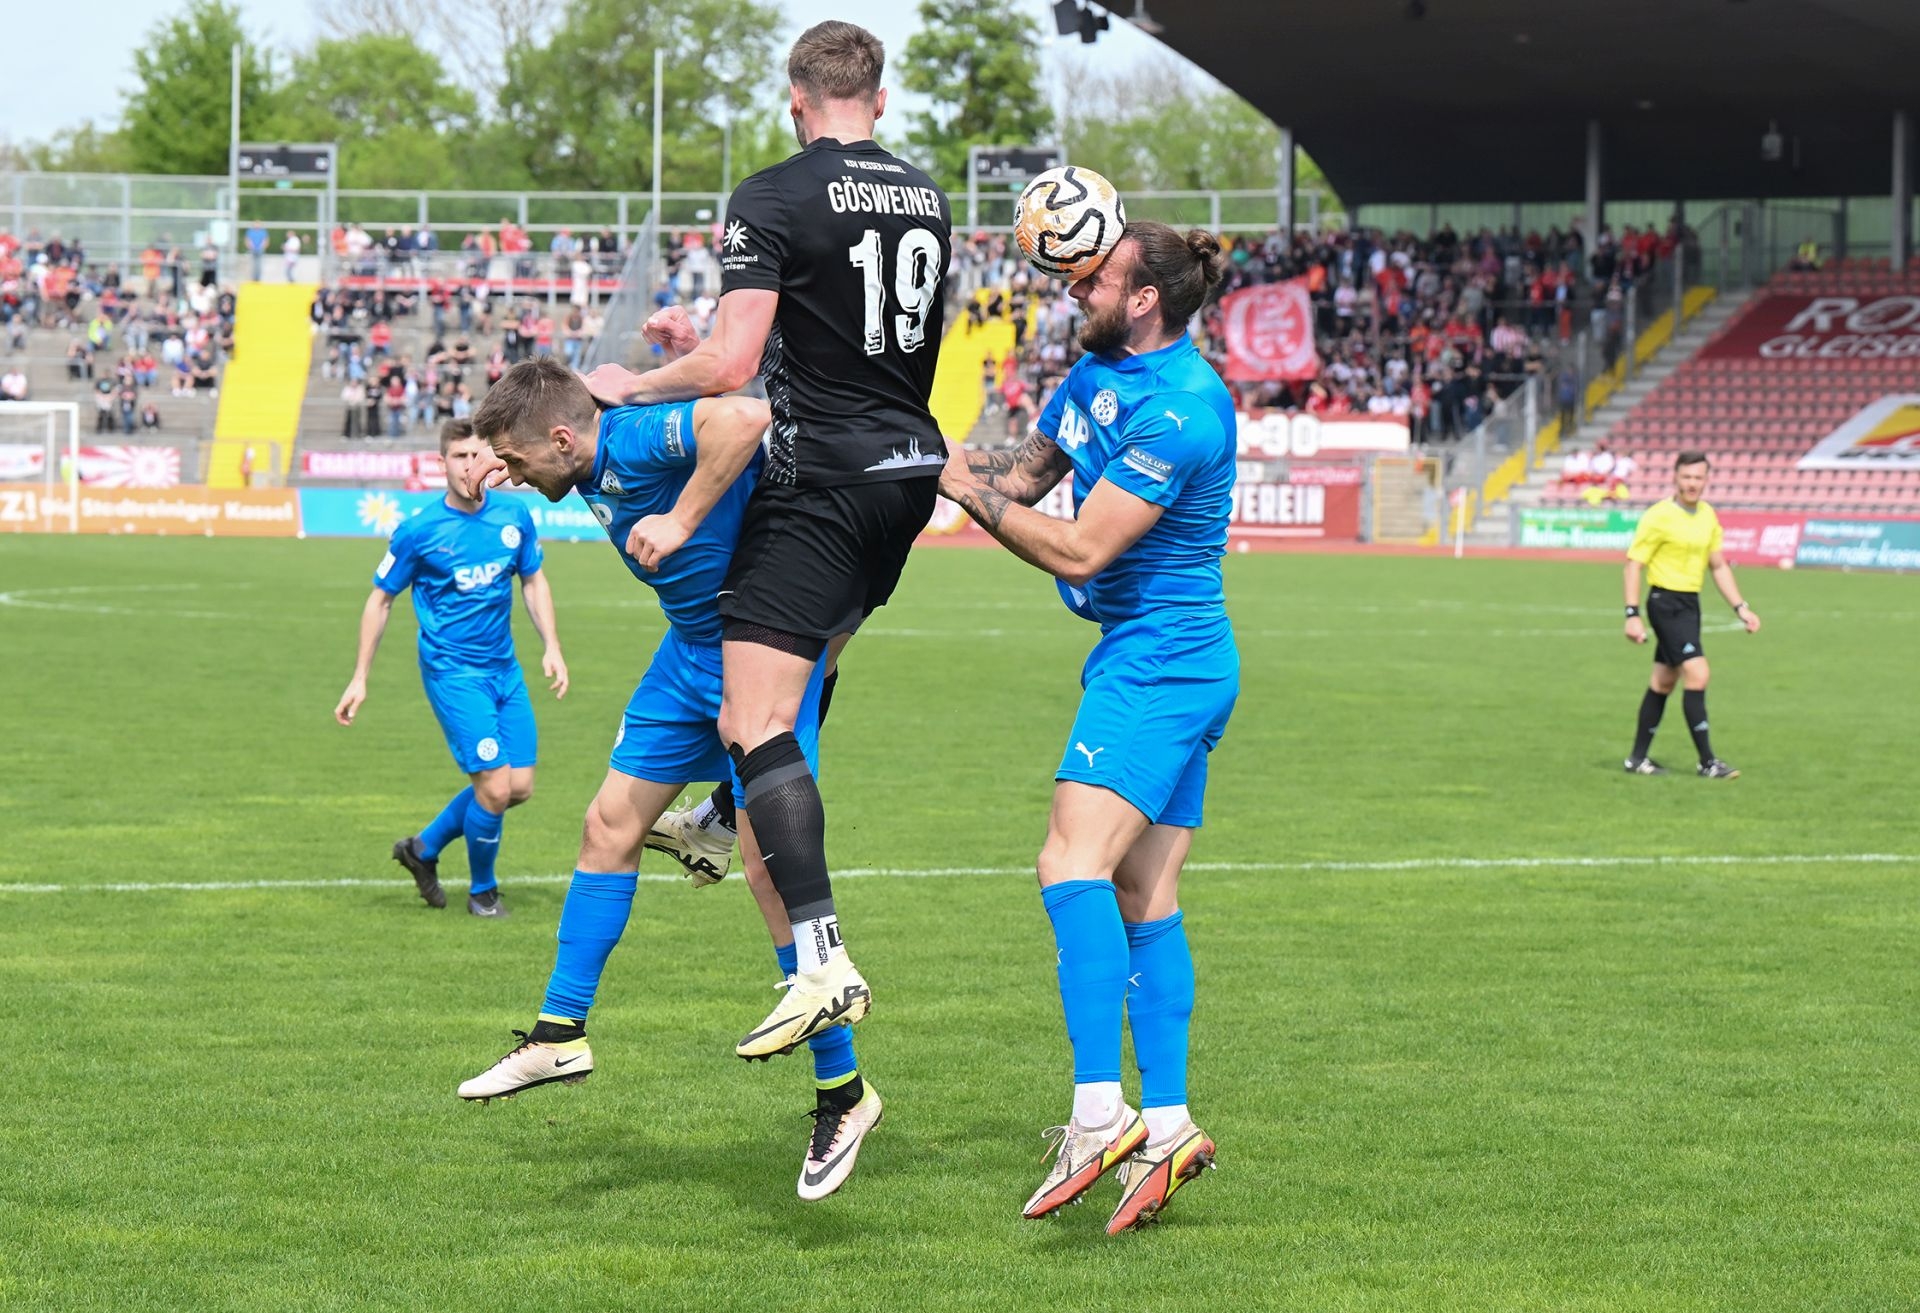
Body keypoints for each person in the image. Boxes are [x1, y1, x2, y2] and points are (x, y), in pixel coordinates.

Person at [574, 21, 951, 1062]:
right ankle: (709, 813)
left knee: (751, 710)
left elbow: (735, 362)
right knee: (798, 673)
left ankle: (820, 960)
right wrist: (698, 342)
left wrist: (636, 382)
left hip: (819, 480)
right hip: (905, 480)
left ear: (795, 99)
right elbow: (840, 332)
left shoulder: (774, 191)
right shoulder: (925, 194)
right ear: (880, 99)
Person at [459, 359, 882, 1201]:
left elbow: (743, 419)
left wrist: (682, 519)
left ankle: (845, 1094)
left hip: (758, 655)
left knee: (769, 874)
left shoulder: (628, 439)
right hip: (686, 655)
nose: (509, 475)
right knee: (607, 825)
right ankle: (559, 1032)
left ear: (562, 438)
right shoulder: (585, 448)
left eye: (513, 459)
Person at [939, 222, 1235, 1234]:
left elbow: (1075, 549)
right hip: (1160, 657)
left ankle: (1097, 1113)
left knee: (1068, 864)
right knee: (1144, 893)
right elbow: (1022, 480)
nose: (1074, 285)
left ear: (1144, 297)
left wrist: (958, 488)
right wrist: (933, 459)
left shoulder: (1184, 409)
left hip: (1162, 661)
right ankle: (1169, 1124)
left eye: (1095, 276)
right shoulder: (1094, 373)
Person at [332, 419, 568, 917]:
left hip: (504, 670)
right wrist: (359, 677)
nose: (470, 466)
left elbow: (533, 580)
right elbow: (380, 600)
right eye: (460, 457)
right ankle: (483, 893)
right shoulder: (419, 531)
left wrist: (552, 645)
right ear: (442, 463)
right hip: (453, 673)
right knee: (495, 788)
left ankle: (422, 849)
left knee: (518, 786)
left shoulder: (513, 515)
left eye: (478, 455)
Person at [1621, 451, 1760, 779]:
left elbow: (1718, 565)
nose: (1692, 483)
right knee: (1698, 673)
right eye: (1686, 477)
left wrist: (1741, 607)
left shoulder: (1708, 516)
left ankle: (1637, 759)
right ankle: (1707, 762)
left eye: (1698, 477)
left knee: (1663, 680)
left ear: (1707, 480)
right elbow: (1633, 565)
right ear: (1675, 477)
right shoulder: (1658, 516)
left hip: (1689, 605)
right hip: (1664, 603)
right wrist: (1632, 614)